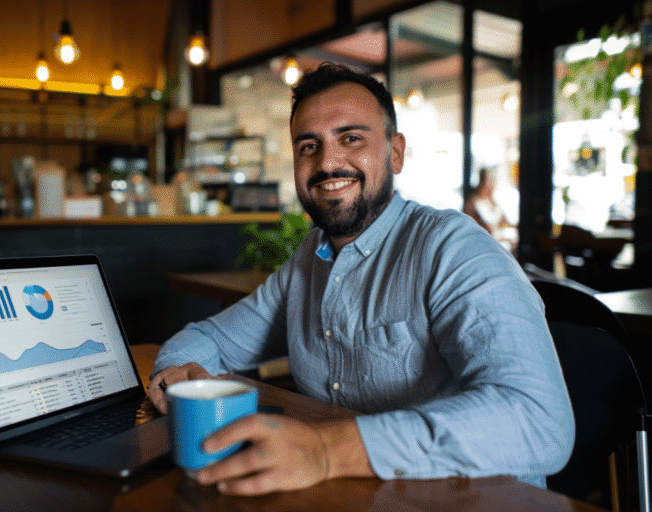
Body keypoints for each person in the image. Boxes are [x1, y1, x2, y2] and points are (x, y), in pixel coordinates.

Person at [149, 62, 574, 496]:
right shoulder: (307, 263)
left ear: (395, 153)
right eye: (308, 146)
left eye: (351, 138)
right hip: (356, 496)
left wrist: (329, 450)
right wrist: (178, 378)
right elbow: (209, 340)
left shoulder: (454, 248)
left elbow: (539, 421)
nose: (328, 162)